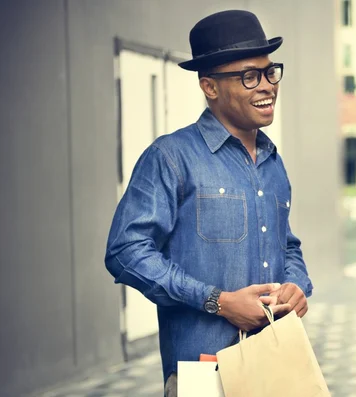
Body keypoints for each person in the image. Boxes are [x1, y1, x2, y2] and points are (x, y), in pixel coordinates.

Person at [104, 10, 313, 397]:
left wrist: (297, 286)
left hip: (277, 364)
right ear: (210, 87)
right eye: (249, 76)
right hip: (205, 375)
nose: (266, 85)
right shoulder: (171, 157)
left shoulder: (272, 162)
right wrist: (219, 302)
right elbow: (125, 251)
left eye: (271, 72)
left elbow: (287, 245)